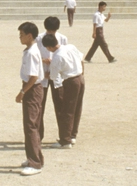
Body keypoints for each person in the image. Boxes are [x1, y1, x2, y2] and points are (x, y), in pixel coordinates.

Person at [44, 33, 85, 148]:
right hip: (80, 78)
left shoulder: (57, 57)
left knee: (67, 110)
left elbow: (53, 76)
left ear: (49, 47)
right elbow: (81, 58)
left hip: (70, 81)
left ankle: (65, 140)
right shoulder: (70, 47)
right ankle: (72, 135)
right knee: (77, 107)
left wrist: (42, 74)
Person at [16, 22, 46, 176]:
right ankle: (35, 157)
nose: (19, 37)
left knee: (31, 125)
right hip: (32, 87)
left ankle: (35, 163)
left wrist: (22, 92)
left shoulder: (32, 53)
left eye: (21, 34)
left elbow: (33, 77)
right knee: (31, 124)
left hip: (32, 89)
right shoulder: (30, 50)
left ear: (29, 36)